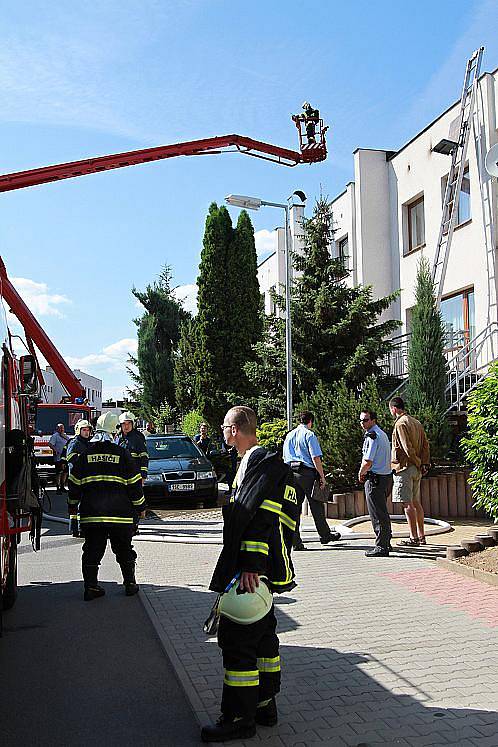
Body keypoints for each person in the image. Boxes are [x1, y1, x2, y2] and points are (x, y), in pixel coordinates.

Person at [201, 406, 299, 743]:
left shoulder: (259, 464)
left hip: (252, 571)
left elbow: (260, 518)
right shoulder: (261, 463)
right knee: (263, 637)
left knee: (238, 641)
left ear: (236, 429)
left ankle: (239, 718)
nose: (222, 432)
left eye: (225, 426)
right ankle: (265, 705)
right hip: (263, 570)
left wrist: (250, 566)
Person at [68, 412, 146, 601]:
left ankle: (91, 587)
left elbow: (73, 483)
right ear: (114, 431)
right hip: (121, 515)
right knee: (125, 549)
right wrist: (140, 507)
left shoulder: (85, 455)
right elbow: (134, 484)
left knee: (92, 551)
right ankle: (130, 584)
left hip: (92, 515)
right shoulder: (122, 454)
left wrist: (72, 508)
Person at [283, 411, 340, 550]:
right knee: (316, 505)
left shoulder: (289, 435)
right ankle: (325, 535)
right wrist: (322, 476)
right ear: (310, 421)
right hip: (306, 473)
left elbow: (285, 457)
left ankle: (295, 541)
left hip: (291, 473)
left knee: (293, 508)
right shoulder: (309, 435)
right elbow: (315, 458)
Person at [389, 396, 430, 547]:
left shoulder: (400, 423)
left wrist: (417, 462)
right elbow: (426, 445)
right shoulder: (416, 422)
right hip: (416, 469)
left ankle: (413, 538)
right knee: (416, 503)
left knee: (407, 504)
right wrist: (424, 463)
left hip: (405, 467)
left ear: (394, 408)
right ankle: (422, 536)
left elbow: (407, 448)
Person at [358, 409, 393, 557]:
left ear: (373, 420)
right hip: (385, 478)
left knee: (377, 514)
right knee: (382, 512)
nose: (362, 423)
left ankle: (381, 546)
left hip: (375, 479)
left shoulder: (373, 436)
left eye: (365, 420)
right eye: (361, 420)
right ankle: (386, 542)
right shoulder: (382, 434)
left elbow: (368, 461)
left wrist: (361, 472)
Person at [65, 419, 92, 537]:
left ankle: (77, 529)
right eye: (84, 430)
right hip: (76, 478)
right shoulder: (75, 442)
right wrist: (84, 457)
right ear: (78, 431)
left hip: (85, 478)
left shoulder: (88, 443)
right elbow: (70, 457)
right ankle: (78, 528)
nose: (86, 432)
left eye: (88, 430)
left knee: (82, 504)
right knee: (77, 504)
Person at [116, 411, 149, 482]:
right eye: (124, 424)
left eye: (129, 423)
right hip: (121, 476)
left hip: (135, 476)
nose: (126, 426)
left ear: (132, 424)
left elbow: (144, 457)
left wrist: (143, 475)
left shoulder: (138, 437)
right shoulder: (118, 437)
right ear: (121, 425)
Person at [49, 423, 70, 494]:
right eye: (60, 428)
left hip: (65, 457)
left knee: (65, 472)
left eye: (63, 428)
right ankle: (57, 487)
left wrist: (64, 436)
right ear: (57, 429)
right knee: (59, 472)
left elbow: (70, 442)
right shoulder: (55, 436)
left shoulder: (65, 435)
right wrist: (54, 450)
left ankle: (62, 486)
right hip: (58, 457)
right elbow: (50, 444)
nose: (62, 429)